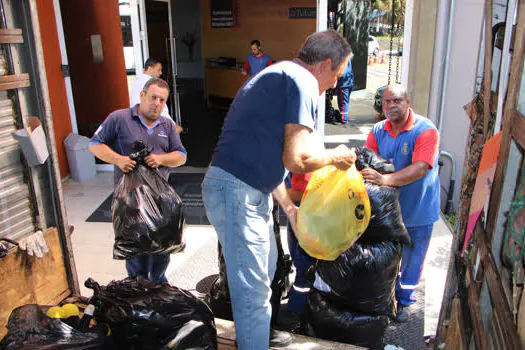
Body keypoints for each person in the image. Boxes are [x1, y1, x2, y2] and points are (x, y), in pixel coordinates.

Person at [201, 30, 356, 350]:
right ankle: (253, 338)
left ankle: (257, 333)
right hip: (237, 193)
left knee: (268, 270)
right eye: (337, 75)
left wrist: (290, 209)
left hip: (243, 189)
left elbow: (269, 161)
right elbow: (296, 158)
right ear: (326, 64)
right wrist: (336, 156)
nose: (335, 84)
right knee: (253, 293)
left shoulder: (280, 74)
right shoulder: (301, 81)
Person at [89, 78, 187, 283]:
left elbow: (181, 156)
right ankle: (137, 287)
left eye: (162, 100)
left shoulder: (167, 125)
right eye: (153, 98)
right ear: (142, 96)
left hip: (160, 203)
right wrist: (118, 160)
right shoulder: (119, 118)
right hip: (131, 203)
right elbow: (95, 145)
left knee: (162, 250)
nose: (157, 103)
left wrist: (160, 159)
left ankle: (159, 284)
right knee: (136, 255)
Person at [361, 83, 440, 323]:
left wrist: (384, 179)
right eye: (387, 101)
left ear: (407, 102)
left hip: (418, 209)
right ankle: (384, 298)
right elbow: (365, 160)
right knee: (385, 255)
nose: (392, 106)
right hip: (386, 211)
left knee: (412, 259)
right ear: (381, 105)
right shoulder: (378, 130)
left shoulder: (426, 131)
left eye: (397, 101)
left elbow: (419, 169)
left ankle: (405, 301)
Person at [277, 172, 315, 331]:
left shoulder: (304, 158)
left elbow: (302, 191)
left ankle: (297, 311)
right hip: (299, 211)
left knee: (303, 264)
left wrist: (272, 194)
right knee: (297, 257)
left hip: (306, 212)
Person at [129, 58, 182, 133]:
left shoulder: (135, 83)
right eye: (158, 70)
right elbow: (159, 107)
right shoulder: (152, 85)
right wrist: (172, 125)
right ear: (150, 68)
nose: (160, 73)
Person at [335, 58, 354, 125]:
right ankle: (344, 117)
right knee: (345, 101)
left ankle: (344, 119)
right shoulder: (347, 57)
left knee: (343, 102)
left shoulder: (342, 58)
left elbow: (343, 73)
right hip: (348, 83)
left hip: (343, 84)